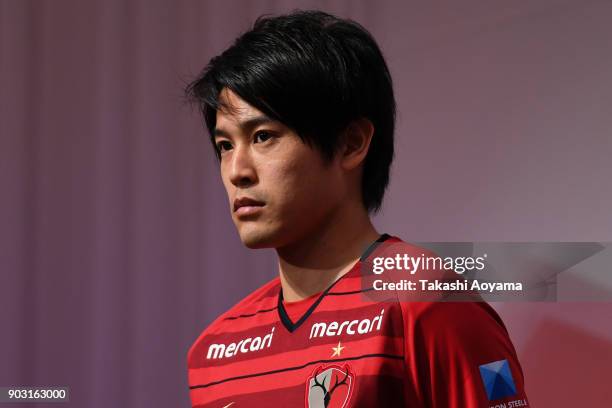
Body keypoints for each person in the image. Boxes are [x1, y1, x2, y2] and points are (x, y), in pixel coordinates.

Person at [185, 10, 529, 407]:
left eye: (263, 136)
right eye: (224, 145)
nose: (236, 171)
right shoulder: (213, 351)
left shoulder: (427, 301)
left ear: (351, 144)